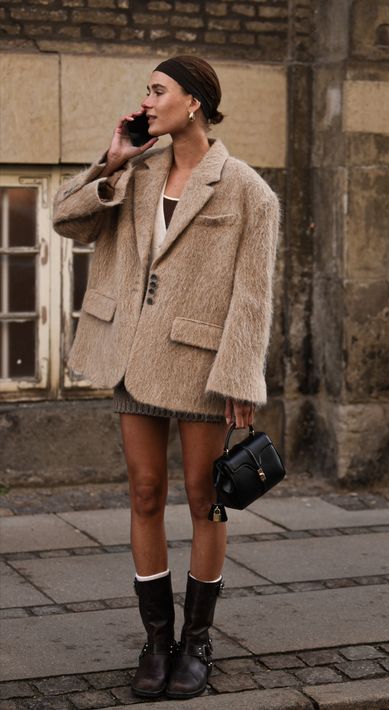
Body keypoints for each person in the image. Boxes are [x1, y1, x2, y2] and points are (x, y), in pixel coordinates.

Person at [53, 55, 280, 700]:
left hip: (203, 367)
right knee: (145, 493)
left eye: (158, 91)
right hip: (132, 354)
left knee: (205, 499)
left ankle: (197, 642)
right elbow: (66, 220)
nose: (147, 102)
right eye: (146, 92)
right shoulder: (138, 171)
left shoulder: (246, 191)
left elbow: (253, 296)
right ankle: (157, 642)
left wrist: (241, 377)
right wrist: (113, 159)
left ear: (195, 103)